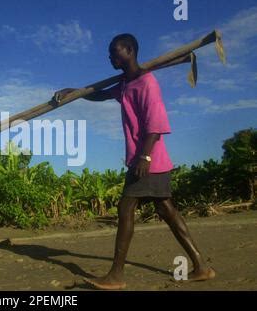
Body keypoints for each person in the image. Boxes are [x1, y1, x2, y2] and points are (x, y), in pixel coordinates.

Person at [53, 33, 215, 290]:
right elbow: (102, 95)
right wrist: (74, 92)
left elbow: (156, 125)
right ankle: (201, 266)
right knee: (167, 211)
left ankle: (116, 275)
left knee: (126, 208)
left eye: (115, 52)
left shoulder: (147, 83)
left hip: (148, 159)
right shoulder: (127, 84)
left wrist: (144, 156)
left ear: (129, 50)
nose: (111, 57)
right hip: (149, 159)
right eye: (109, 54)